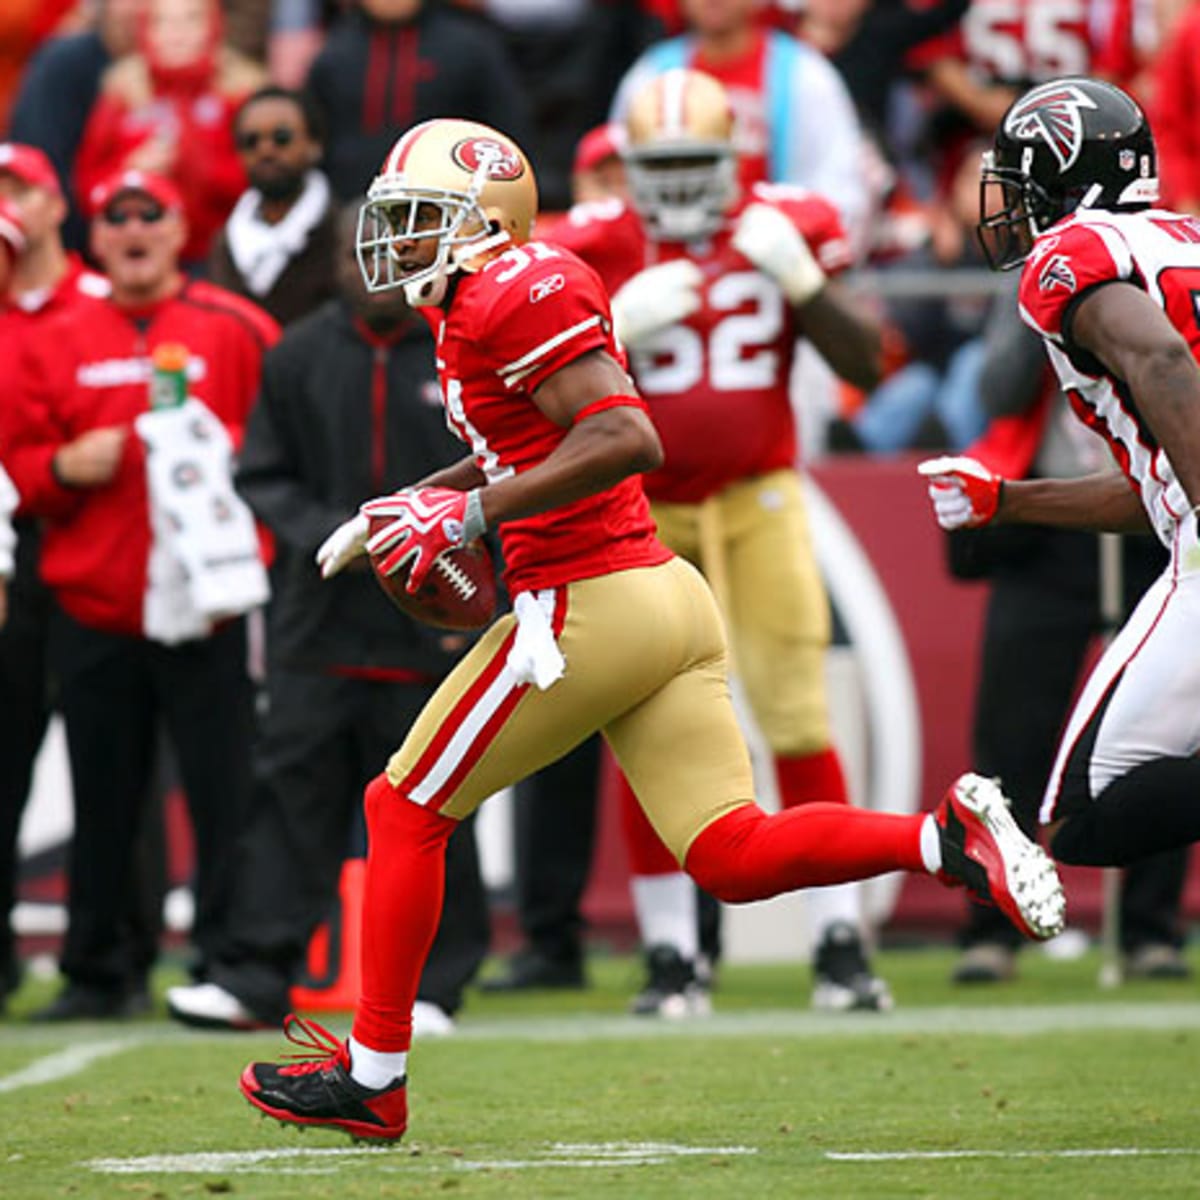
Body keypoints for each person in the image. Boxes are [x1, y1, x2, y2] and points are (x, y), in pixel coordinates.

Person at [237, 114, 1064, 1142]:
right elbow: (516, 447)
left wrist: (474, 515)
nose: (397, 241)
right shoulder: (475, 300)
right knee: (729, 848)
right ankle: (947, 838)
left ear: (485, 224)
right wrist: (407, 501)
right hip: (657, 595)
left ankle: (374, 1074)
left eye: (421, 220)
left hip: (586, 602)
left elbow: (629, 433)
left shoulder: (511, 290)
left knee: (402, 807)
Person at [550, 68, 891, 1015]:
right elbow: (524, 381)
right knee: (648, 724)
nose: (677, 184)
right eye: (658, 166)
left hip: (760, 494)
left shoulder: (783, 222)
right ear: (625, 164)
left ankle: (837, 942)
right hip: (638, 507)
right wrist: (607, 326)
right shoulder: (591, 243)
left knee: (797, 713)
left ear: (736, 158)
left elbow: (869, 358)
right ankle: (672, 956)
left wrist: (803, 281)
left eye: (697, 162)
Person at [164, 206, 489, 1036]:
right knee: (288, 800)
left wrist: (445, 561)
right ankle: (253, 978)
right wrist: (337, 538)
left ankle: (437, 986)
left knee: (437, 799)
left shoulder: (461, 346)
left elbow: (500, 468)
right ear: (339, 263)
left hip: (434, 622)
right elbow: (261, 474)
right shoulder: (298, 352)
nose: (369, 266)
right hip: (318, 620)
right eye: (356, 252)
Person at [0, 168, 278, 1020]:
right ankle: (99, 969)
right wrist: (61, 466)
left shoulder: (236, 327)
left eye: (147, 215)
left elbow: (285, 442)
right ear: (95, 235)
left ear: (177, 229)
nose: (130, 231)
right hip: (96, 605)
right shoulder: (57, 332)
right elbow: (18, 460)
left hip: (210, 604)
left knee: (224, 793)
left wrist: (226, 451)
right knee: (105, 794)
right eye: (114, 218)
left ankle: (230, 961)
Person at [920, 77, 1200, 887]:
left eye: (1019, 184)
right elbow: (1158, 489)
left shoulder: (1071, 253)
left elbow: (1159, 358)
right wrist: (1009, 501)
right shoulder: (1184, 237)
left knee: (1079, 818)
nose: (1010, 207)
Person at [940, 281, 1188, 983]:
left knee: (1156, 731)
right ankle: (994, 923)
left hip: (1157, 523)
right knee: (1013, 732)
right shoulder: (1039, 277)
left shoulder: (1165, 278)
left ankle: (1149, 928)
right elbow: (995, 391)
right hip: (1049, 527)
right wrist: (1046, 312)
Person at [609, 0, 868, 241]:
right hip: (665, 246)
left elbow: (839, 186)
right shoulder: (650, 73)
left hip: (771, 254)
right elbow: (614, 176)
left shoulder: (806, 73)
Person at [74, 0, 267, 265]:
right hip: (136, 257)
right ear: (145, 29)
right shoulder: (121, 93)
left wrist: (199, 167)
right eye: (163, 21)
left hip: (223, 255)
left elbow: (261, 178)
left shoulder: (241, 93)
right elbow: (87, 185)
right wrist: (131, 172)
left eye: (191, 20)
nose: (177, 32)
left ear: (213, 26)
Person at [304, 0, 532, 202]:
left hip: (452, 209)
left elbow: (508, 133)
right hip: (349, 210)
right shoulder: (332, 55)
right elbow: (314, 142)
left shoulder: (472, 48)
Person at [9, 0, 144, 251]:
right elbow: (38, 166)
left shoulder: (202, 70)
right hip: (72, 240)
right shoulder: (62, 64)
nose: (137, 8)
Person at [208, 86, 338, 326]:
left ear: (314, 145)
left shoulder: (342, 233)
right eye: (250, 141)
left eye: (281, 138)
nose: (265, 150)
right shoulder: (224, 243)